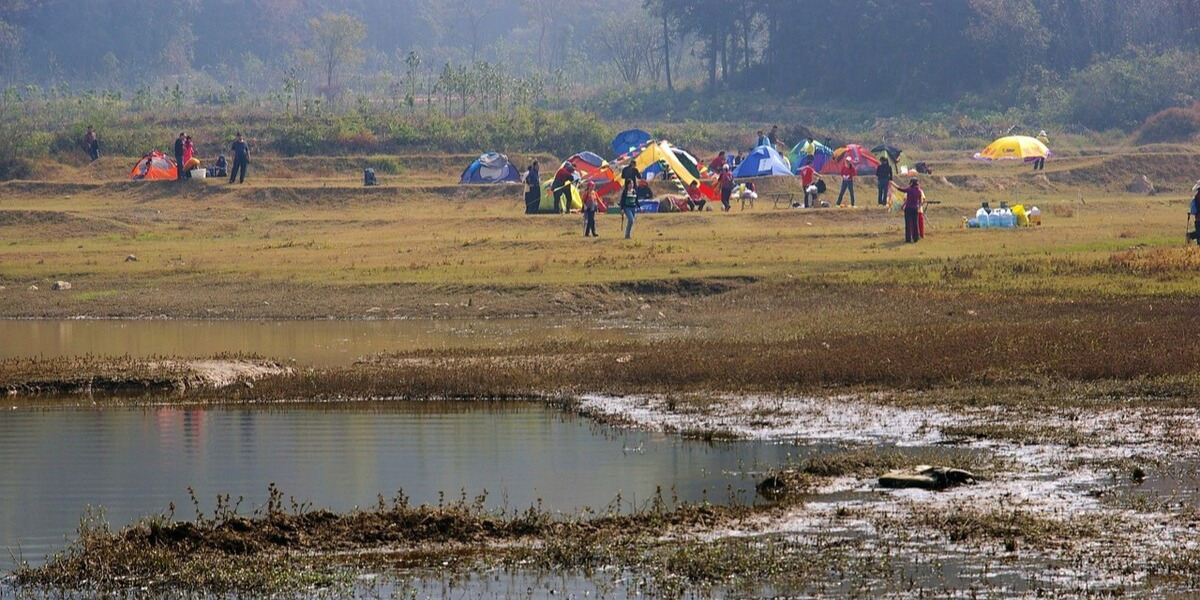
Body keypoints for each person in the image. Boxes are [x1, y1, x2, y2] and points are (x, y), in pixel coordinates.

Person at [893, 177, 923, 243]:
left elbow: (900, 189)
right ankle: (916, 238)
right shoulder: (919, 191)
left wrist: (893, 184)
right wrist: (919, 206)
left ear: (912, 183)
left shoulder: (909, 189)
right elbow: (920, 200)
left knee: (908, 224)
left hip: (908, 209)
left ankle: (908, 239)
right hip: (915, 209)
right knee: (915, 224)